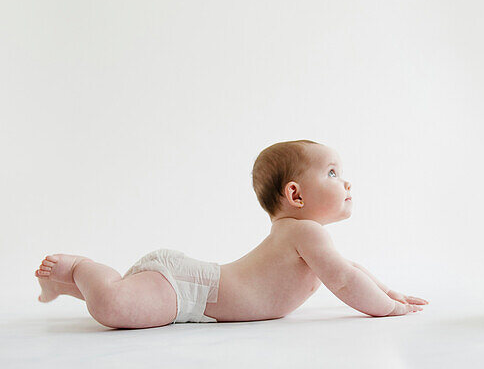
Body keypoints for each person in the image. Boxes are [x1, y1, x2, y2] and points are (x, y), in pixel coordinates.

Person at [35, 140, 427, 328]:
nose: (345, 182)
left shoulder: (304, 236)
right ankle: (79, 269)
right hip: (189, 288)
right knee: (113, 308)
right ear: (295, 194)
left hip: (194, 294)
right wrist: (388, 309)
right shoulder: (306, 232)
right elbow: (344, 280)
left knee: (124, 305)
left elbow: (349, 269)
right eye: (332, 173)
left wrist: (388, 290)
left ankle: (68, 286)